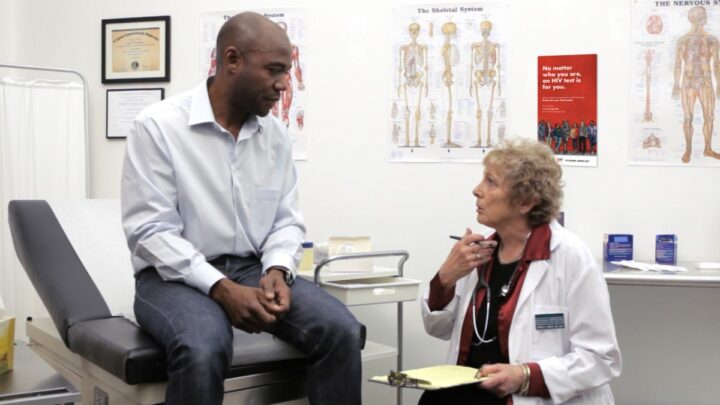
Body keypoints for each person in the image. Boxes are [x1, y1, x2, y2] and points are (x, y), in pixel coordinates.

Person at [121, 12, 363, 405]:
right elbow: (151, 232)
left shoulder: (275, 135)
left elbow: (286, 221)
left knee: (341, 330)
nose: (284, 84)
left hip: (254, 268)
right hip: (170, 278)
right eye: (274, 70)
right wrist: (219, 287)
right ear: (232, 60)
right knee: (203, 348)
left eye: (286, 72)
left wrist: (278, 270)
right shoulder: (158, 126)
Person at [419, 139, 621, 404]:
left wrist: (525, 375)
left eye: (490, 182)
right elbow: (439, 328)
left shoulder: (570, 256)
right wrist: (445, 278)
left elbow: (600, 358)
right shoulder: (479, 252)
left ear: (525, 201)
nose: (476, 190)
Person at [671, 5, 720, 163]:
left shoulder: (712, 40)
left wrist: (719, 83)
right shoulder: (683, 40)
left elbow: (717, 64)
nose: (706, 18)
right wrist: (676, 84)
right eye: (703, 15)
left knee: (710, 116)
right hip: (688, 82)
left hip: (705, 82)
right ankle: (688, 149)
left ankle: (707, 148)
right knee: (688, 117)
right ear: (697, 18)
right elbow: (678, 64)